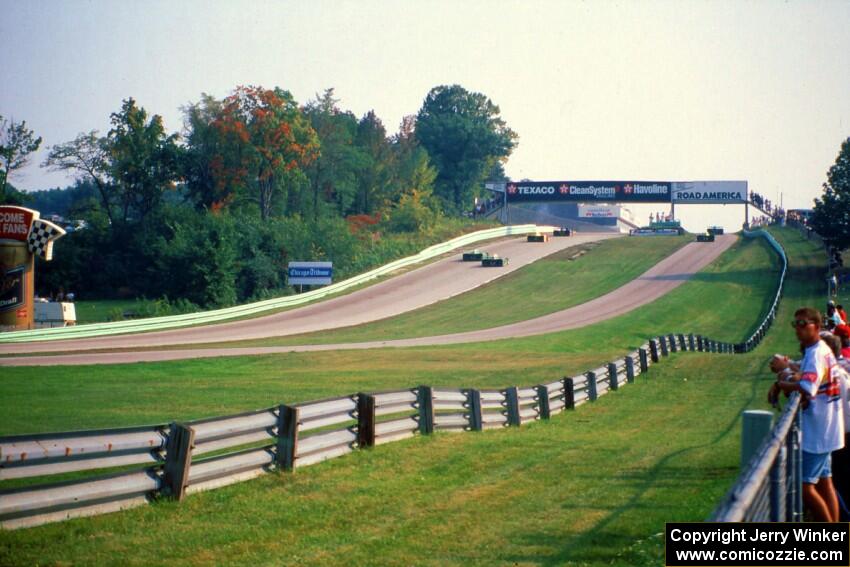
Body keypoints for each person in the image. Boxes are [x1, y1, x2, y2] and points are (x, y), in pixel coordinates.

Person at [768, 308, 845, 522]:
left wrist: (780, 383)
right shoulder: (818, 350)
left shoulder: (816, 353)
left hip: (819, 431)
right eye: (796, 324)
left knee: (804, 486)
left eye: (803, 324)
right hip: (826, 427)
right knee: (825, 481)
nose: (798, 329)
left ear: (817, 327)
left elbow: (807, 387)